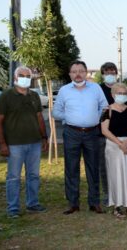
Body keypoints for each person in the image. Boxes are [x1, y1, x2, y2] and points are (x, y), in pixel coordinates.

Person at [53, 60, 108, 215]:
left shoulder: (95, 88)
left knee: (93, 167)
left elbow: (104, 107)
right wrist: (69, 117)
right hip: (72, 133)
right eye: (74, 71)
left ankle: (94, 202)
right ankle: (73, 203)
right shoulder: (64, 90)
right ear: (70, 74)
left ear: (86, 72)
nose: (78, 74)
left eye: (81, 71)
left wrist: (96, 118)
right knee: (71, 168)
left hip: (92, 133)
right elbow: (55, 112)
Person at [0, 67, 48, 218]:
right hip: (14, 145)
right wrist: (2, 143)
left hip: (35, 143)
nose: (25, 78)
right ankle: (13, 209)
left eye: (27, 76)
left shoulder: (34, 96)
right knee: (13, 177)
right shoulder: (6, 96)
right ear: (15, 78)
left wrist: (44, 137)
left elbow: (39, 117)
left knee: (33, 175)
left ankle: (33, 204)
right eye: (21, 75)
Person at [100, 82, 127, 218]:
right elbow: (104, 130)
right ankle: (117, 206)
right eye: (119, 93)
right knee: (115, 175)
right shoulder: (107, 111)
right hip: (113, 146)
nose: (122, 95)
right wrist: (119, 143)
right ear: (113, 94)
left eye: (124, 93)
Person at [98, 62, 127, 206]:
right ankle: (110, 195)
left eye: (112, 72)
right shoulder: (98, 89)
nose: (110, 75)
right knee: (107, 168)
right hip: (107, 135)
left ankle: (126, 198)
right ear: (102, 74)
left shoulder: (125, 89)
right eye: (107, 73)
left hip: (125, 134)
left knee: (126, 169)